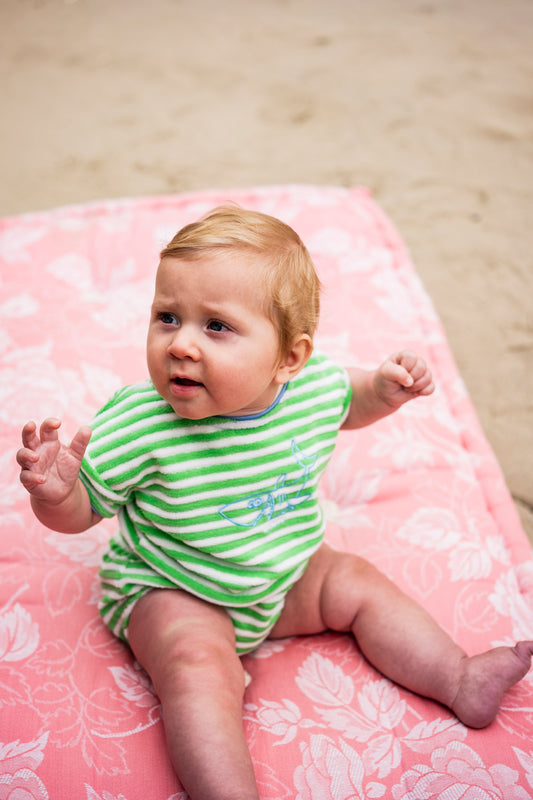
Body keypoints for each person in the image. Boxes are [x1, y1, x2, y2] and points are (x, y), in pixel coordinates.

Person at [17, 207, 533, 800]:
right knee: (197, 668)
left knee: (357, 581)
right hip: (172, 585)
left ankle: (456, 674)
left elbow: (352, 398)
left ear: (290, 359)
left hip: (286, 572)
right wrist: (58, 494)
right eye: (167, 317)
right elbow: (83, 510)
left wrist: (385, 391)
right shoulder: (137, 422)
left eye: (216, 327)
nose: (181, 343)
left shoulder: (311, 391)